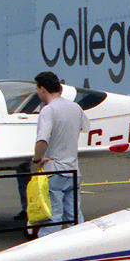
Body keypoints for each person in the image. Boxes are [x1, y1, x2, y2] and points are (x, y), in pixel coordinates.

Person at [31, 71, 89, 236]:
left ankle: (47, 254)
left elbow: (42, 140)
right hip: (73, 170)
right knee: (74, 216)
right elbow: (85, 128)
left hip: (54, 169)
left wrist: (37, 160)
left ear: (42, 89)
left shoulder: (48, 111)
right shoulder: (75, 107)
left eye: (37, 89)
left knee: (53, 217)